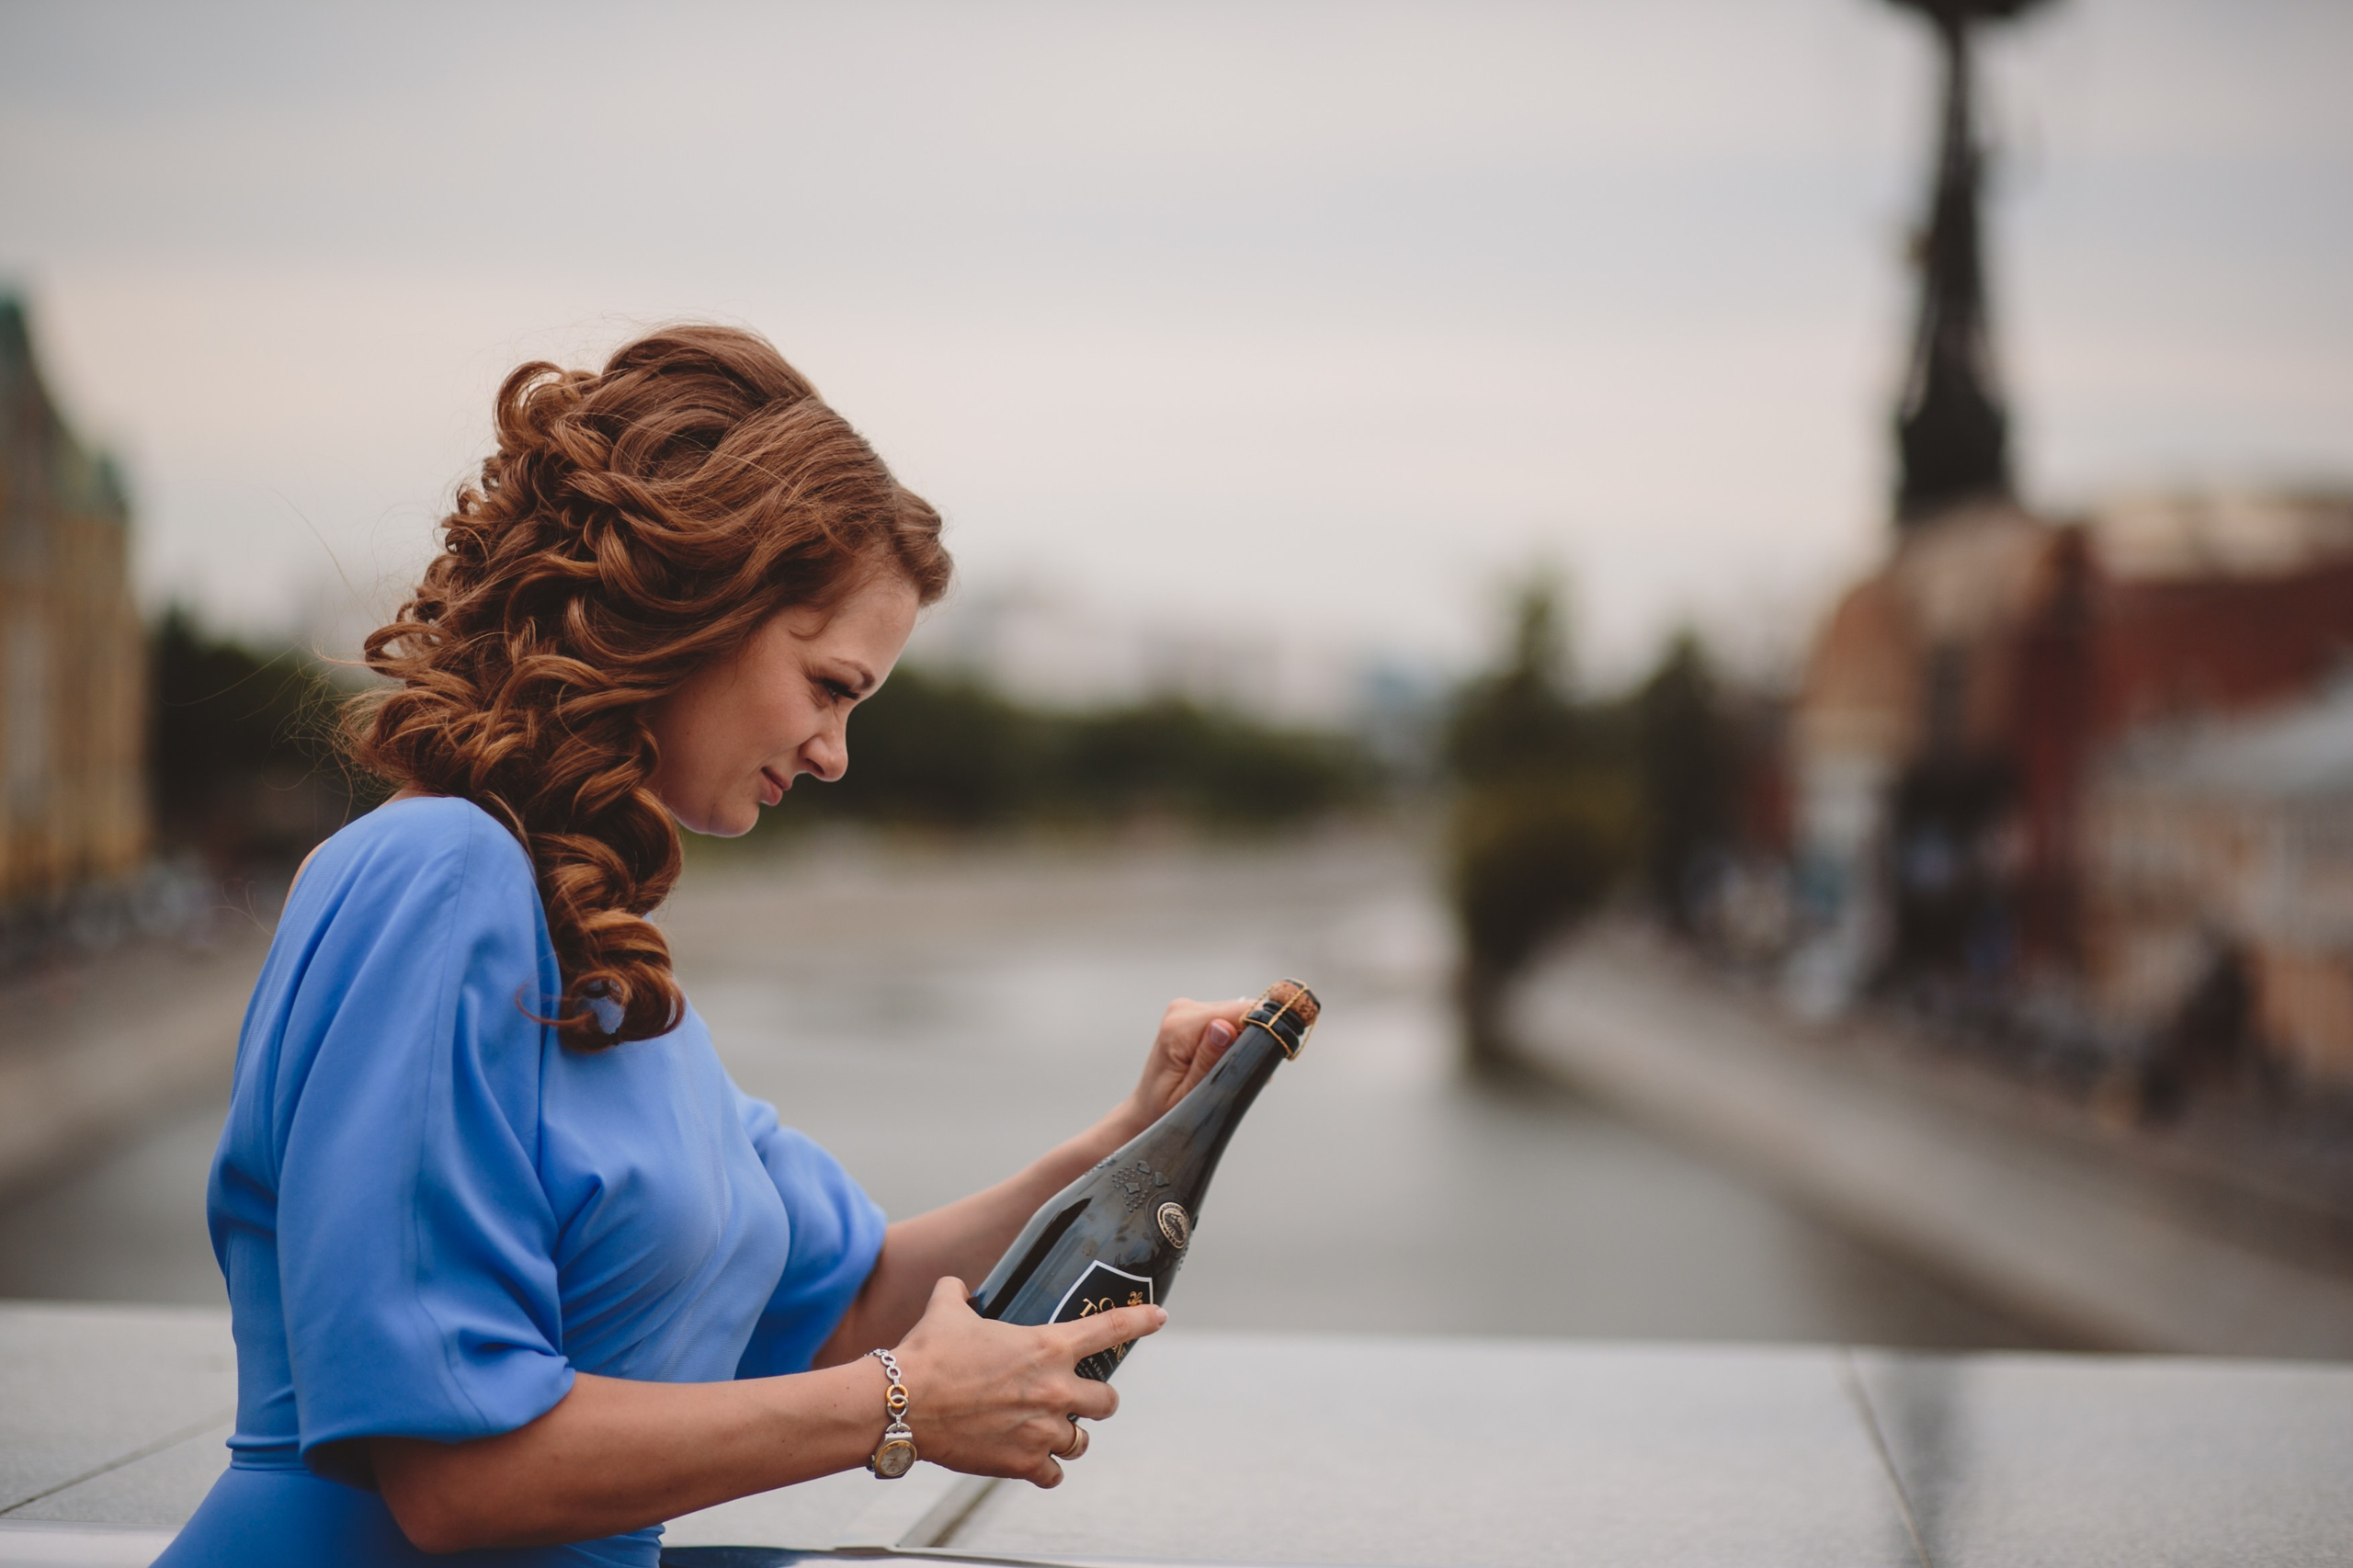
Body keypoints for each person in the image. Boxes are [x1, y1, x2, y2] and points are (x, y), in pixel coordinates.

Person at [158, 325, 1252, 1567]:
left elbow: (842, 1304)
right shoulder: (436, 876)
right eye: (830, 685)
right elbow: (452, 1474)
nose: (837, 751)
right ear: (697, 607)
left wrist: (1131, 1137)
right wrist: (904, 1405)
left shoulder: (591, 941)